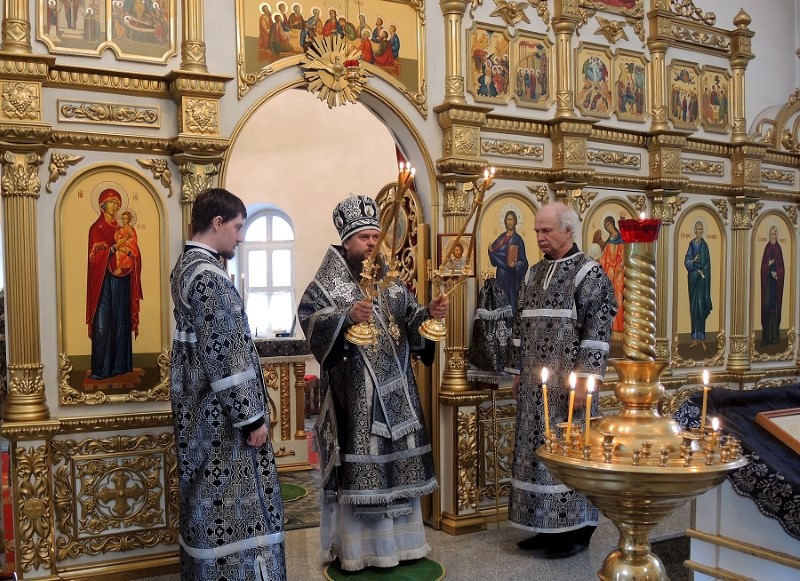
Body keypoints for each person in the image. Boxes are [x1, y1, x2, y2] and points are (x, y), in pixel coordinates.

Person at [298, 194, 449, 572]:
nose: (371, 244)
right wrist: (346, 316)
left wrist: (429, 313)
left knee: (399, 469)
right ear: (347, 241)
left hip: (398, 398)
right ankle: (359, 552)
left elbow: (411, 322)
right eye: (363, 237)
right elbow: (310, 320)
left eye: (374, 237)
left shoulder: (391, 282)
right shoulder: (327, 284)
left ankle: (405, 546)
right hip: (355, 400)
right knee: (362, 470)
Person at [170, 188, 287, 580]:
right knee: (234, 506)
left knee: (204, 496)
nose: (240, 237)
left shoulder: (186, 266)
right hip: (221, 421)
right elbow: (226, 353)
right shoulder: (209, 278)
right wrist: (251, 418)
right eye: (237, 227)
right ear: (217, 222)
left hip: (198, 407)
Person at [505, 203, 616, 559]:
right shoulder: (534, 273)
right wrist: (518, 372)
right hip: (535, 387)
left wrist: (586, 380)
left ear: (568, 231)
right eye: (537, 231)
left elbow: (598, 331)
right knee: (538, 454)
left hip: (570, 389)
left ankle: (577, 531)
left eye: (546, 231)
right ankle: (544, 526)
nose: (539, 237)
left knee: (570, 454)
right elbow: (521, 324)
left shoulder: (589, 273)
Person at [86, 188, 143, 380]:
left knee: (121, 321)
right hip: (103, 281)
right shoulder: (97, 229)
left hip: (122, 279)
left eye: (117, 203)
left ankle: (120, 366)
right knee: (103, 322)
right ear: (102, 205)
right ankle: (101, 370)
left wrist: (131, 255)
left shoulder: (124, 229)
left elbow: (135, 252)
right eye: (111, 202)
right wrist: (113, 248)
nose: (115, 206)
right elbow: (94, 258)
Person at [488, 210, 528, 315]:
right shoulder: (501, 238)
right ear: (505, 221)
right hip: (500, 275)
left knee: (511, 301)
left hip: (512, 277)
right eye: (508, 219)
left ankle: (511, 321)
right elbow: (494, 254)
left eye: (511, 219)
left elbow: (523, 261)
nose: (510, 222)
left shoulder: (518, 239)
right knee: (501, 300)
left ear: (515, 221)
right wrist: (490, 251)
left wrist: (516, 265)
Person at [684, 220, 712, 350]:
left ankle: (702, 339)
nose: (699, 231)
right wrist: (693, 262)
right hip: (693, 279)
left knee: (701, 308)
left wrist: (702, 271)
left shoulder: (704, 245)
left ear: (702, 231)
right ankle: (695, 339)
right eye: (697, 229)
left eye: (701, 229)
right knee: (694, 308)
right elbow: (687, 261)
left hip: (702, 281)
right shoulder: (691, 244)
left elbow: (707, 264)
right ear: (695, 230)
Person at [598, 216, 624, 334]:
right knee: (608, 300)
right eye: (605, 226)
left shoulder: (620, 240)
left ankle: (619, 327)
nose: (607, 227)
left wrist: (616, 271)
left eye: (608, 224)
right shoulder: (608, 242)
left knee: (618, 300)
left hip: (618, 275)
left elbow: (622, 259)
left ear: (612, 224)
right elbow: (604, 258)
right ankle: (610, 326)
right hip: (609, 272)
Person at [760, 225, 785, 346]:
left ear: (777, 235)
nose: (772, 236)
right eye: (771, 234)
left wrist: (778, 275)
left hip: (775, 285)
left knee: (774, 309)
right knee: (766, 307)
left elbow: (782, 267)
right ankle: (766, 338)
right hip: (767, 285)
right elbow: (763, 267)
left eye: (774, 234)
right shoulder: (767, 248)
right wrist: (768, 265)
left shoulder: (778, 249)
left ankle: (774, 337)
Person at [111, 210, 140, 277]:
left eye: (125, 219)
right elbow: (117, 238)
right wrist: (117, 237)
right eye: (123, 218)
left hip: (129, 247)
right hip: (120, 246)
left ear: (129, 219)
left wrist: (124, 242)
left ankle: (121, 268)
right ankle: (119, 267)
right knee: (118, 252)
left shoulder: (130, 229)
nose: (124, 220)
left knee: (121, 252)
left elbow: (133, 239)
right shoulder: (121, 229)